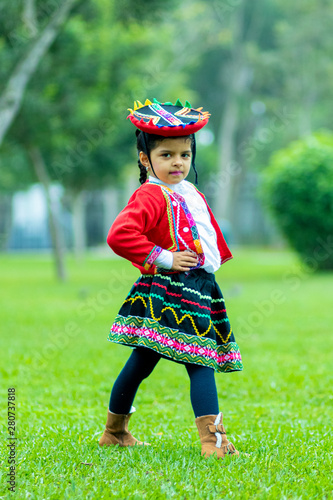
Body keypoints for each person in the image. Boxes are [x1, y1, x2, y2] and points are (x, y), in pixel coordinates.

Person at [99, 98, 243, 459]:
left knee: (142, 360)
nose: (178, 162)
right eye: (166, 155)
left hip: (197, 287)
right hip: (172, 290)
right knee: (200, 361)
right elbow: (120, 235)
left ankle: (114, 432)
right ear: (146, 159)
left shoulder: (187, 192)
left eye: (184, 154)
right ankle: (214, 443)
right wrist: (164, 258)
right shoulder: (150, 194)